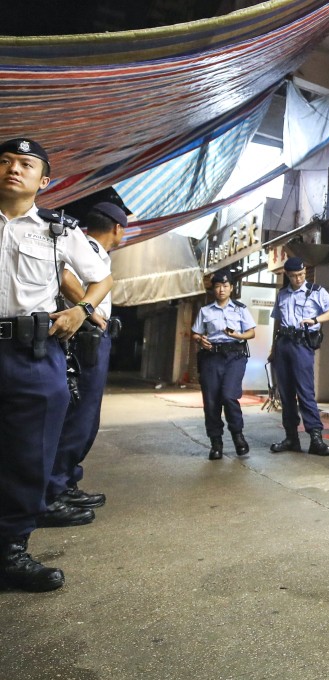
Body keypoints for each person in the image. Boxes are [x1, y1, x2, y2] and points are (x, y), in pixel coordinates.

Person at [0, 138, 112, 592]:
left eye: (26, 164)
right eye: (5, 161)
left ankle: (11, 550)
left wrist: (81, 310)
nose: (13, 169)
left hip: (33, 354)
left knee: (30, 455)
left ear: (43, 181)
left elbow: (101, 277)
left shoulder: (56, 230)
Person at [44, 201, 128, 522]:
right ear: (117, 228)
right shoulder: (83, 244)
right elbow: (62, 274)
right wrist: (87, 311)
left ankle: (65, 481)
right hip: (82, 337)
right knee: (78, 414)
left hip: (92, 336)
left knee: (86, 416)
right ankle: (54, 488)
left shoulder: (95, 251)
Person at [268, 257, 329, 456]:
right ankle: (291, 437)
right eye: (294, 276)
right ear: (287, 275)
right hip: (283, 344)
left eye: (301, 274)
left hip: (301, 345)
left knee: (305, 392)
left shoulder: (316, 292)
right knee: (285, 393)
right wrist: (273, 348)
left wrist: (316, 319)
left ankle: (315, 438)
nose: (299, 278)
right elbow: (278, 321)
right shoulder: (282, 294)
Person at [191, 271, 256, 460]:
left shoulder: (240, 309)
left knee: (229, 395)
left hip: (235, 356)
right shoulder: (205, 311)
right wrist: (200, 340)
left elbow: (251, 333)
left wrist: (238, 336)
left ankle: (238, 436)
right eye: (218, 286)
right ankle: (216, 443)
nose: (222, 290)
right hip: (211, 357)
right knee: (211, 401)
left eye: (225, 286)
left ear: (231, 288)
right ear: (213, 289)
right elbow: (195, 333)